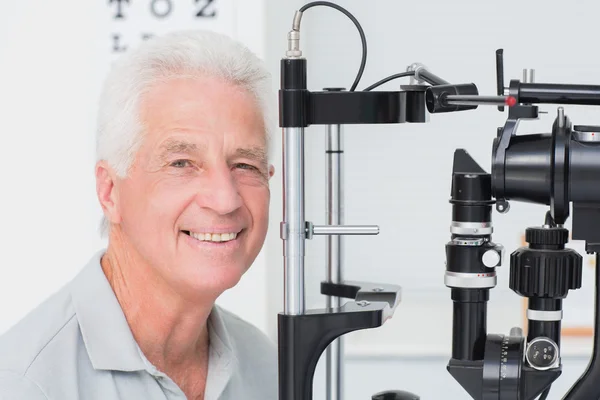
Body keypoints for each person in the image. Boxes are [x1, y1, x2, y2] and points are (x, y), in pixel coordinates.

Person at [0, 29, 278, 400]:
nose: (225, 199)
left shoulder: (264, 363)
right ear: (109, 191)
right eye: (181, 163)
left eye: (245, 165)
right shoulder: (25, 384)